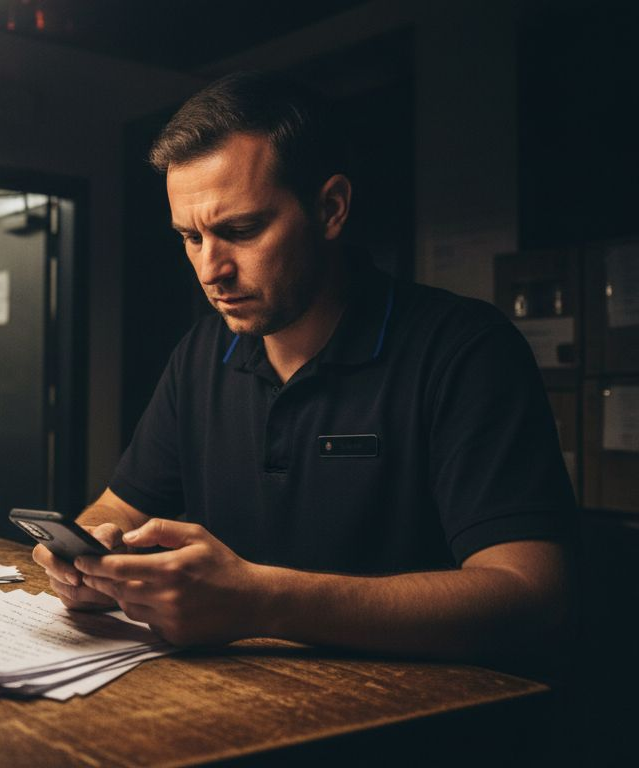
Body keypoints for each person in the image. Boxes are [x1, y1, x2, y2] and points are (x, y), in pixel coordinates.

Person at [34, 72, 574, 664]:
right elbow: (117, 506)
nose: (210, 269)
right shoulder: (200, 354)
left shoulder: (462, 350)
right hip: (239, 707)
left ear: (330, 208)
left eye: (239, 230)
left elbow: (530, 594)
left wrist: (262, 601)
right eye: (190, 237)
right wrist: (88, 556)